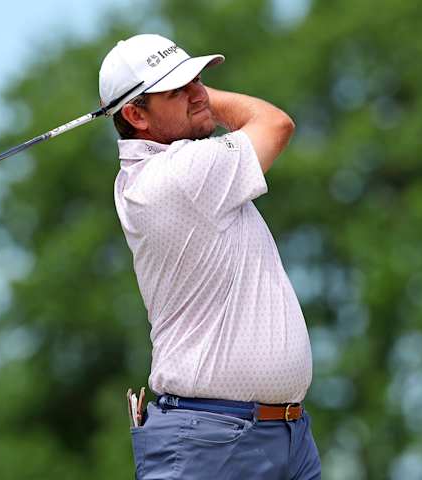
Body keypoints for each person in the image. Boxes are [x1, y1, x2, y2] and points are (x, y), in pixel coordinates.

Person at [99, 34, 320, 479]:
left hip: (283, 436)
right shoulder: (178, 176)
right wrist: (206, 102)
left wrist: (187, 94)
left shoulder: (174, 171)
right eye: (177, 89)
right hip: (213, 441)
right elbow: (275, 123)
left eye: (197, 79)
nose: (197, 92)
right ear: (135, 114)